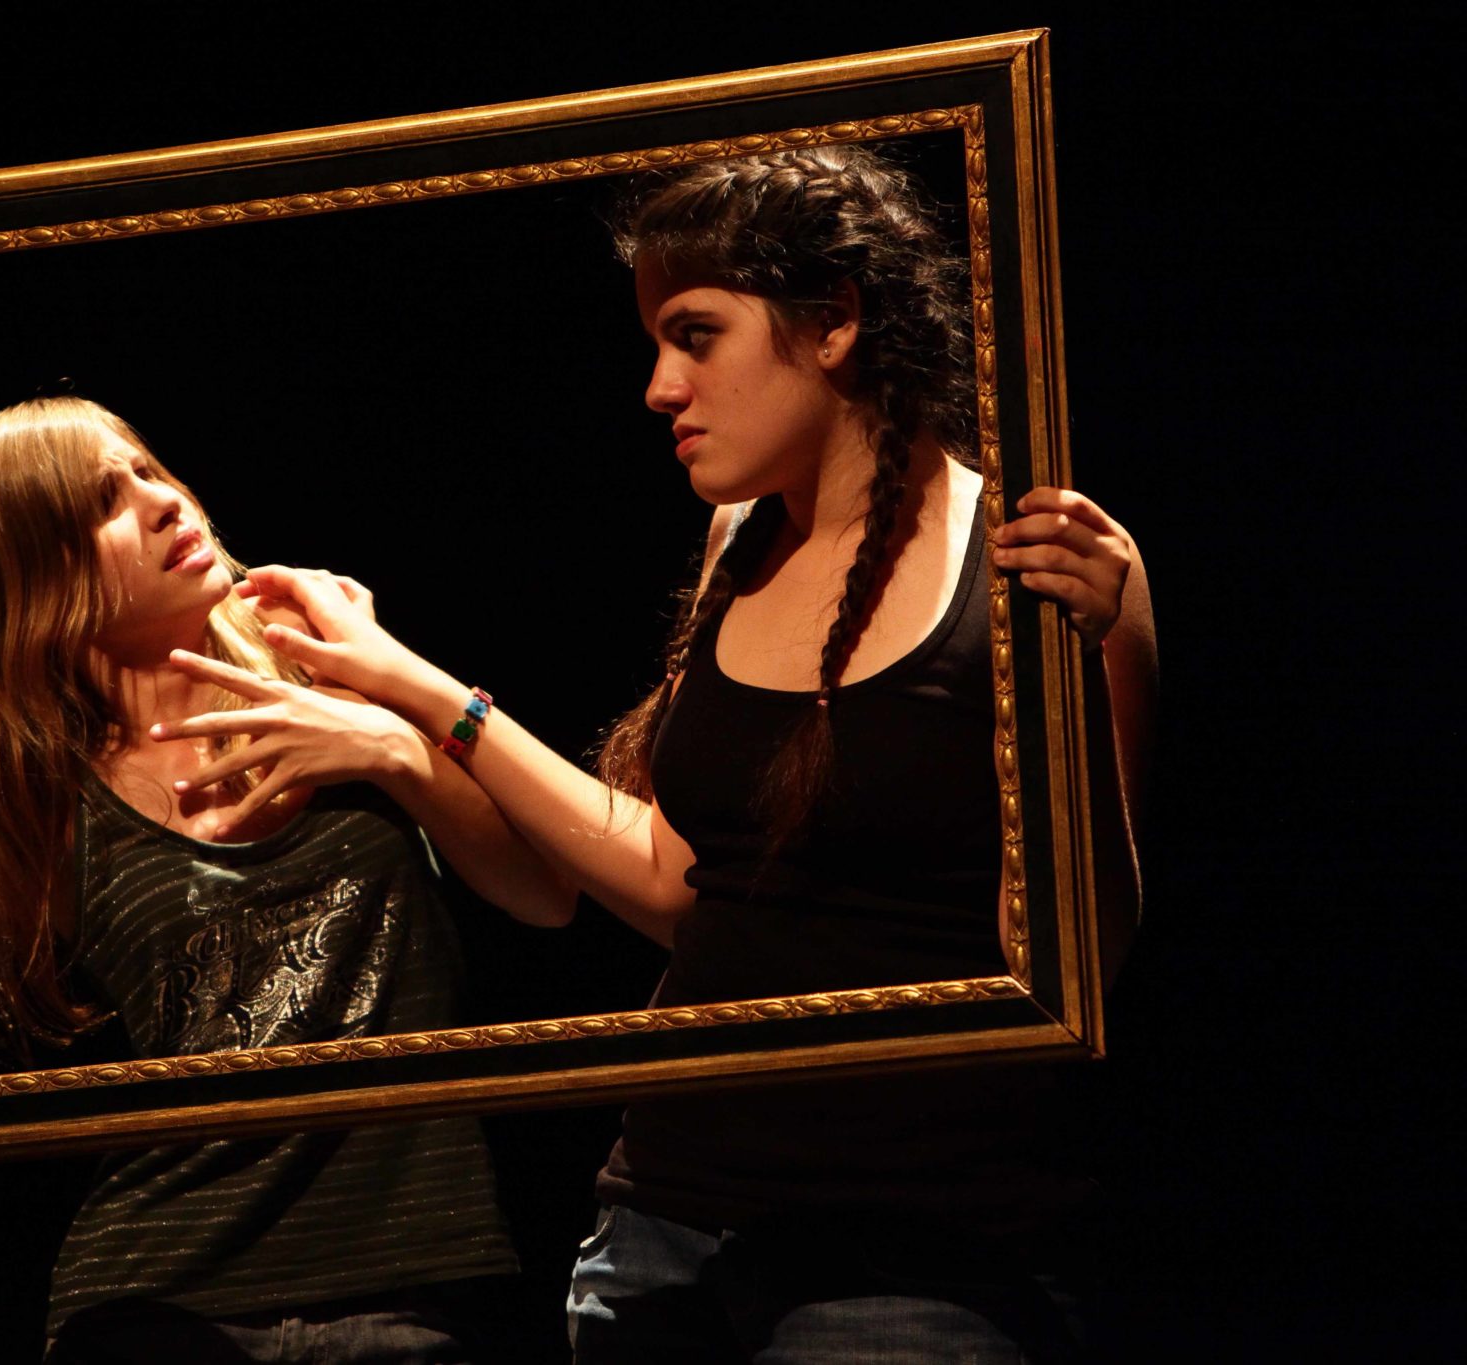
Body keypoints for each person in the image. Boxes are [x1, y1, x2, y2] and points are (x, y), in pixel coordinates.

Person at [165, 146, 1156, 1362]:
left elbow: (1072, 971)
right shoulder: (739, 537)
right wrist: (409, 688)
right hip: (663, 1220)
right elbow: (674, 883)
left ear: (832, 323)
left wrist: (1084, 661)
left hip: (913, 1242)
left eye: (695, 336)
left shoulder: (1030, 564)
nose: (657, 387)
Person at [0, 396, 575, 1361]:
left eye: (147, 469)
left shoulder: (329, 656)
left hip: (416, 1294)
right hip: (159, 1309)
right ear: (27, 578)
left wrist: (397, 751)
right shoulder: (20, 789)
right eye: (102, 503)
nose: (164, 500)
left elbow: (545, 895)